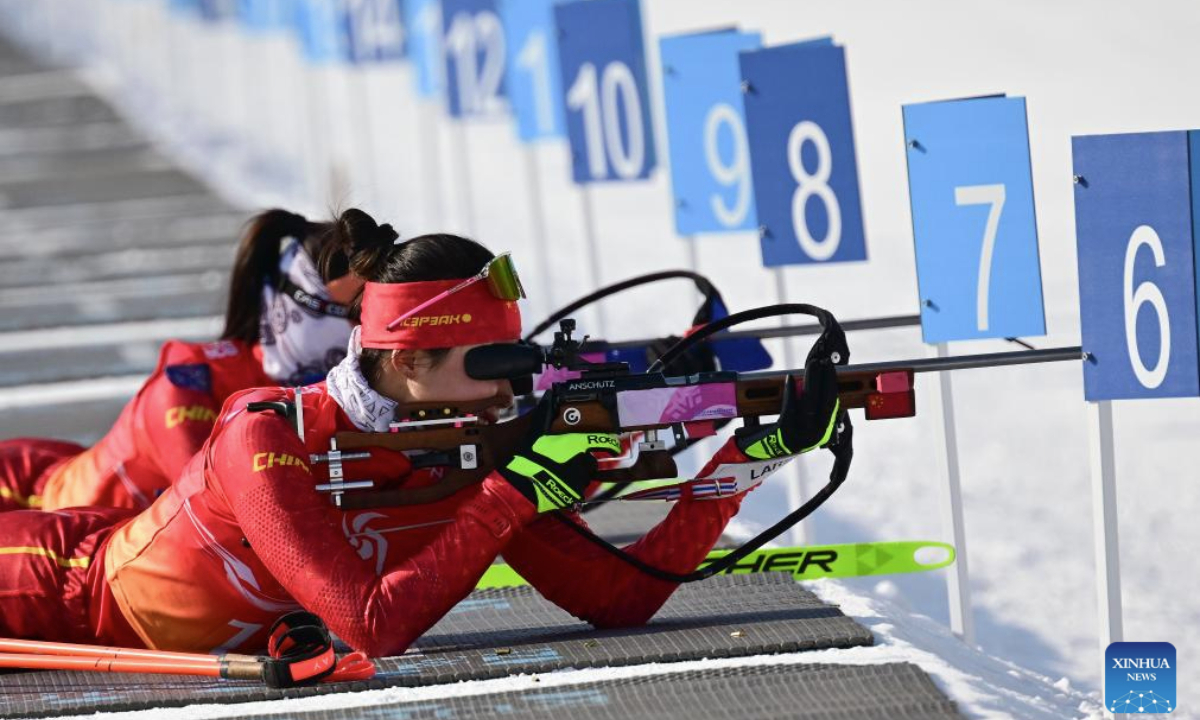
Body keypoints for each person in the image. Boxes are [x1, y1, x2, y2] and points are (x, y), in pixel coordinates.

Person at [0, 208, 844, 657]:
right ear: (407, 362)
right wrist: (509, 497)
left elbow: (618, 602)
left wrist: (743, 459)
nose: (513, 387)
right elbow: (372, 624)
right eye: (492, 363)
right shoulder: (261, 437)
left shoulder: (480, 449)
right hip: (65, 588)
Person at [0, 210, 358, 513]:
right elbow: (220, 508)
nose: (363, 329)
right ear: (296, 307)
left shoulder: (342, 381)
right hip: (25, 501)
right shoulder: (189, 380)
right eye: (353, 312)